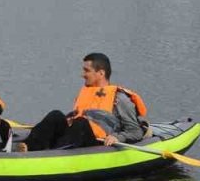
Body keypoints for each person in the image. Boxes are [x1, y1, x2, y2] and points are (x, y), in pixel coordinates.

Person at [17, 52, 149, 152]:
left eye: (87, 70)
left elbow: (135, 132)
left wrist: (117, 137)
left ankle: (53, 153)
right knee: (56, 115)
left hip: (97, 144)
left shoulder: (120, 99)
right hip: (76, 138)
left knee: (81, 123)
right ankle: (28, 147)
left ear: (101, 73)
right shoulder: (86, 93)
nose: (82, 74)